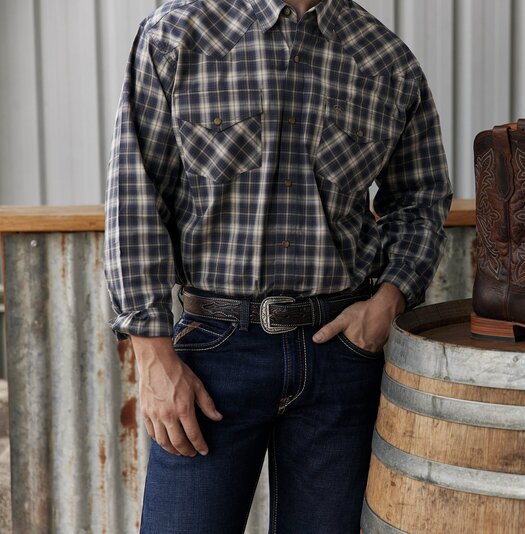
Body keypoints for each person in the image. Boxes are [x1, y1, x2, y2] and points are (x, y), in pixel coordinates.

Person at [103, 0, 452, 531]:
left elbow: (421, 198)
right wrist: (152, 357)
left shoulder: (386, 61)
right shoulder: (177, 35)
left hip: (339, 357)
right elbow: (135, 195)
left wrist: (389, 299)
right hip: (210, 357)